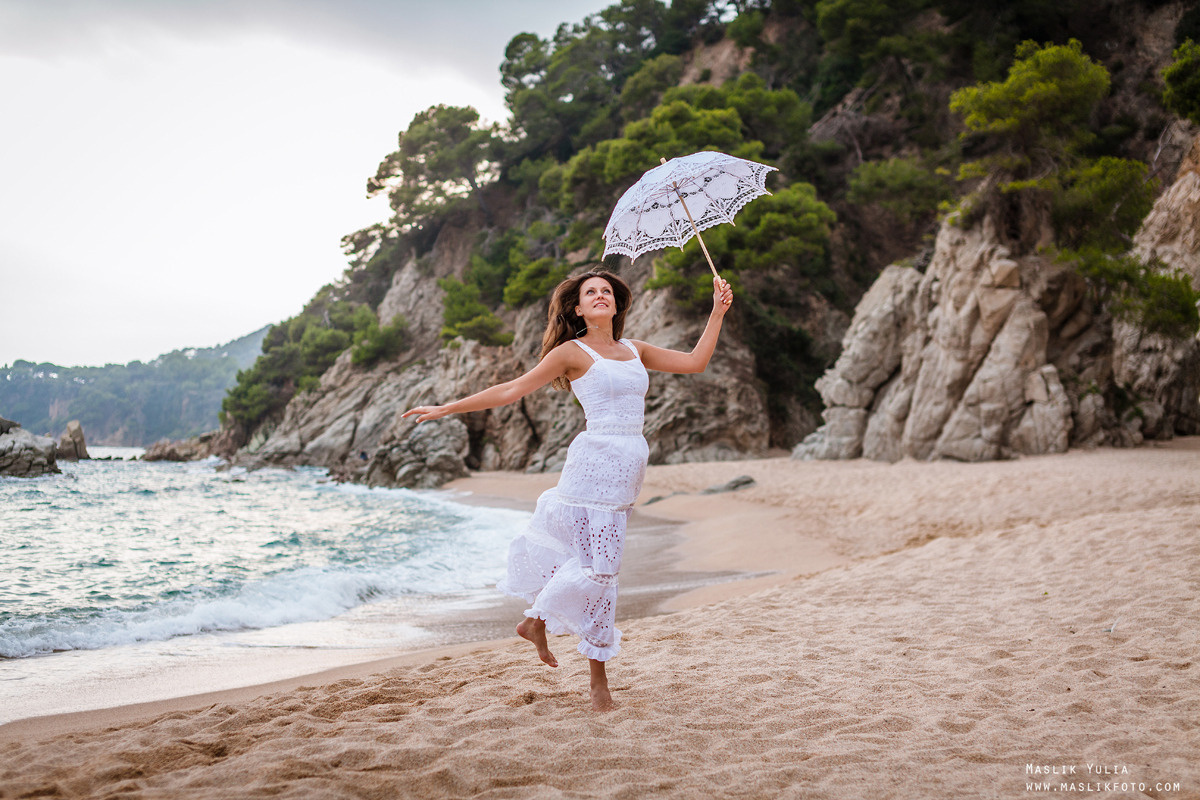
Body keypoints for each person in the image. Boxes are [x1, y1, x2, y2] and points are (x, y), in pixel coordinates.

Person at [402, 269, 733, 711]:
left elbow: (696, 362)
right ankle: (592, 678)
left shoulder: (636, 350)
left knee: (599, 569)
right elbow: (512, 390)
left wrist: (717, 311)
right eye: (590, 293)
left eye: (607, 291)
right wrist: (449, 408)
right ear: (577, 308)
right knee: (601, 570)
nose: (600, 296)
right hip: (592, 465)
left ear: (616, 304)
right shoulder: (570, 352)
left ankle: (537, 623)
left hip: (628, 465)